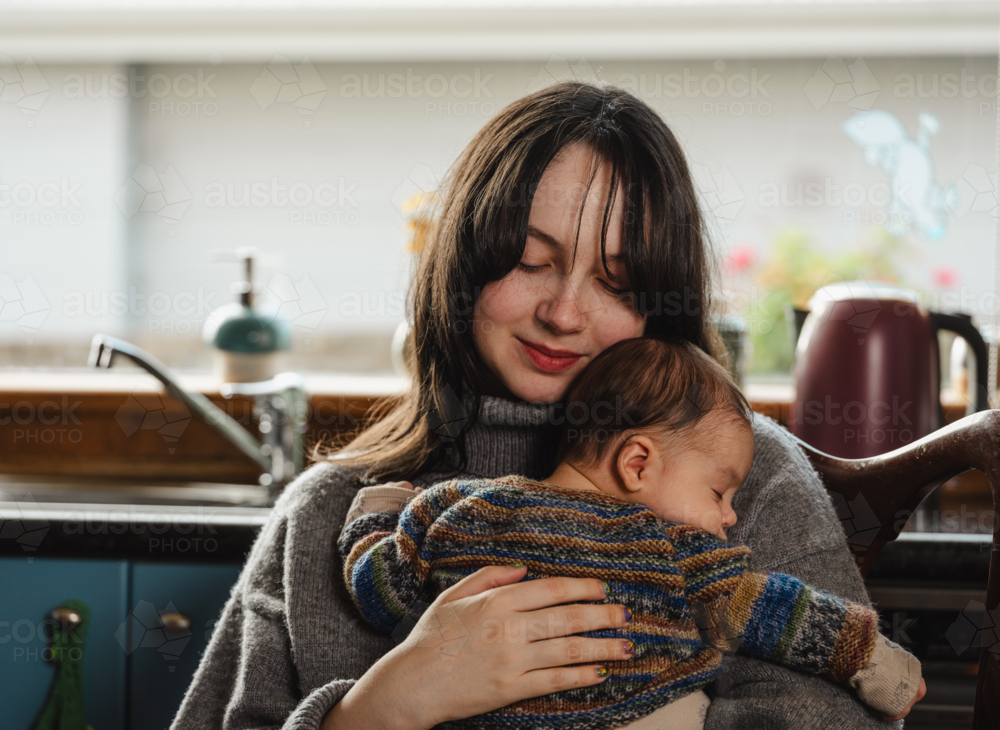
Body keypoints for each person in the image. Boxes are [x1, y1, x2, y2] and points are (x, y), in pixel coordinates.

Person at [171, 82, 910, 730]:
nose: (564, 313)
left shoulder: (748, 478)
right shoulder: (329, 514)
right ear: (464, 261)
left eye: (618, 283)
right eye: (531, 262)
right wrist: (382, 708)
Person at [338, 337, 925, 730]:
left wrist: (377, 515)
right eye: (719, 494)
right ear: (637, 463)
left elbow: (379, 588)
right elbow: (781, 614)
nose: (729, 519)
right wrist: (874, 659)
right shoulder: (669, 550)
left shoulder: (458, 510)